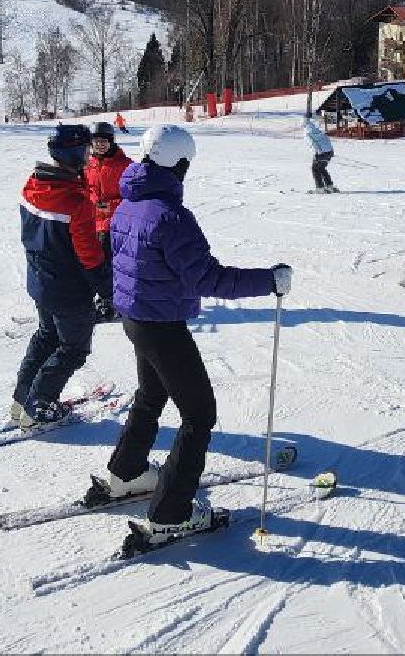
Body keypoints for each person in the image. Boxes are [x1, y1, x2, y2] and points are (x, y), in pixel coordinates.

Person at [91, 124, 291, 545]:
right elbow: (208, 278)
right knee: (199, 415)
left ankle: (127, 473)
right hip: (161, 325)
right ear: (179, 164)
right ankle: (170, 514)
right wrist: (268, 280)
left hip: (136, 318)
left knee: (151, 394)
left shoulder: (128, 203)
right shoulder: (170, 215)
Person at [12, 124, 113, 427]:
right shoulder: (76, 203)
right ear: (73, 154)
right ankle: (38, 405)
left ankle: (22, 399)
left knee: (47, 336)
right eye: (85, 151)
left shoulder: (33, 184)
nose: (89, 156)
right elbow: (90, 257)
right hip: (68, 290)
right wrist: (108, 291)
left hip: (41, 282)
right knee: (73, 348)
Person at [84, 121, 132, 269]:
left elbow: (134, 197)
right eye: (96, 141)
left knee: (115, 265)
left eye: (104, 141)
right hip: (92, 225)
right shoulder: (87, 166)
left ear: (111, 142)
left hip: (116, 225)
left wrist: (111, 206)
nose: (100, 145)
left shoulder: (125, 165)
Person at [303, 117, 338, 193]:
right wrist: (331, 151)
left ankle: (320, 187)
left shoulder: (307, 133)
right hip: (329, 152)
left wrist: (317, 153)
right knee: (322, 168)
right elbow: (327, 139)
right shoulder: (318, 130)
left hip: (321, 153)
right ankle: (329, 185)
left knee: (315, 169)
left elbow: (312, 144)